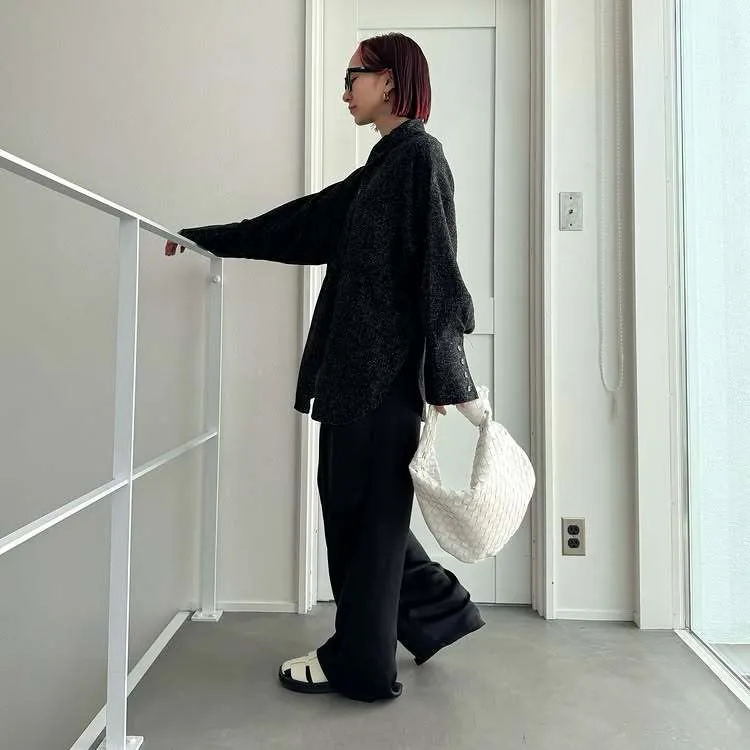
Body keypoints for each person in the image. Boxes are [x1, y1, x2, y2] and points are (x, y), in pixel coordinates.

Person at [166, 32, 485, 703]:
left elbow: (438, 274)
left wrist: (455, 383)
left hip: (382, 379)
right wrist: (207, 239)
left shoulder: (420, 158)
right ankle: (437, 614)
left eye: (353, 76)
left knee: (360, 519)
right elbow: (302, 224)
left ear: (390, 80)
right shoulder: (384, 166)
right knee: (363, 513)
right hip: (356, 378)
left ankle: (360, 666)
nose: (345, 92)